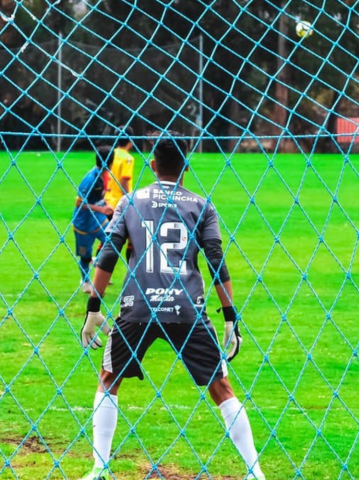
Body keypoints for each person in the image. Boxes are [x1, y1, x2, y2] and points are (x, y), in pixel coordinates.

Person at [78, 132, 264, 480]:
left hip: (137, 308)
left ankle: (99, 467)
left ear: (152, 166)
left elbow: (108, 255)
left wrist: (93, 308)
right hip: (187, 309)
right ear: (187, 168)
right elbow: (216, 261)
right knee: (222, 388)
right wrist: (229, 318)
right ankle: (255, 471)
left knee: (108, 378)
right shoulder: (202, 205)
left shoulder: (130, 201)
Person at [73, 145, 115, 294]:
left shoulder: (104, 175)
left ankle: (98, 264)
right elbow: (79, 202)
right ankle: (85, 281)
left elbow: (99, 197)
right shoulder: (90, 179)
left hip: (98, 219)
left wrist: (107, 205)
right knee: (84, 255)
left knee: (111, 240)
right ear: (110, 162)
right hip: (83, 223)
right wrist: (102, 209)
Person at [102, 126, 135, 262]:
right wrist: (130, 201)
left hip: (107, 201)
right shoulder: (127, 158)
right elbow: (124, 180)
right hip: (120, 204)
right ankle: (133, 272)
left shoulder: (110, 153)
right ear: (130, 141)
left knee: (108, 238)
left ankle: (98, 269)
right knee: (131, 239)